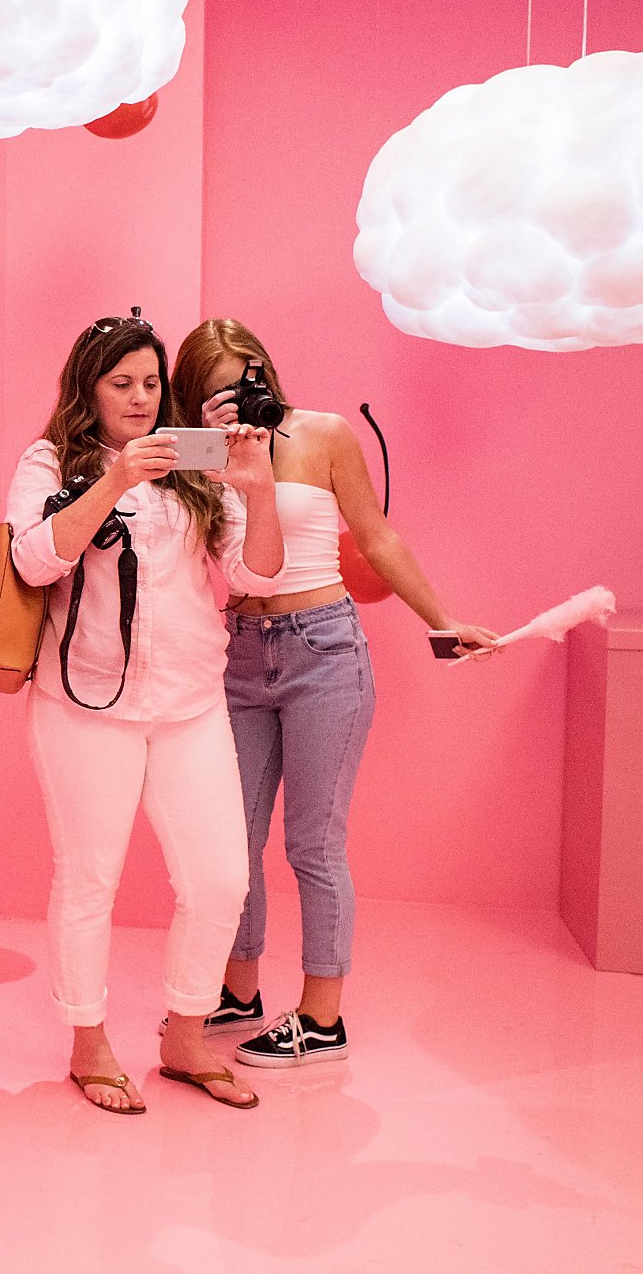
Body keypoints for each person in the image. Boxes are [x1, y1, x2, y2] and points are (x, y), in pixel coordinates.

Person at [171, 317, 500, 1067]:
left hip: (323, 649)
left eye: (249, 375)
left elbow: (376, 538)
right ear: (196, 398)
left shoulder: (321, 434)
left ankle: (322, 1019)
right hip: (240, 654)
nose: (242, 395)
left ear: (268, 369)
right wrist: (206, 443)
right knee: (234, 840)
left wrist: (442, 621)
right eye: (218, 388)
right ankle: (239, 991)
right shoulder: (198, 454)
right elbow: (126, 470)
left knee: (313, 843)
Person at [6, 309, 282, 1113]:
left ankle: (186, 1034)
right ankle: (88, 1041)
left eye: (151, 383)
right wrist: (118, 478)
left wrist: (257, 489)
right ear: (88, 388)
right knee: (90, 878)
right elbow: (33, 557)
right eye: (121, 382)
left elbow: (256, 576)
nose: (138, 397)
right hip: (86, 703)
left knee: (222, 876)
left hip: (192, 702)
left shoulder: (194, 455)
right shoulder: (52, 457)